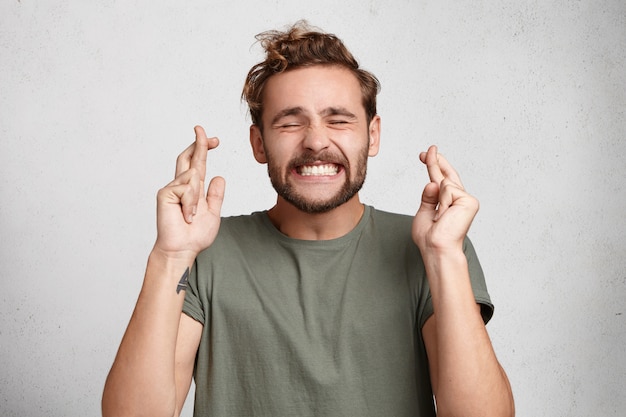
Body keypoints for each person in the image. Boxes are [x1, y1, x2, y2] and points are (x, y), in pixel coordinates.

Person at [102, 21, 514, 417]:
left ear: (372, 135)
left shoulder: (431, 246)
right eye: (290, 122)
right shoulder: (205, 252)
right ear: (259, 143)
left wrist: (444, 256)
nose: (316, 140)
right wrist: (170, 256)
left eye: (338, 120)